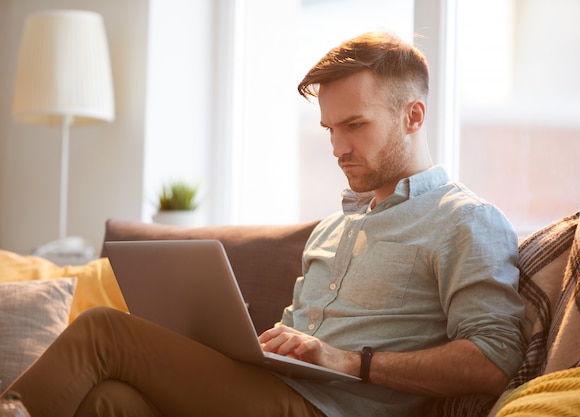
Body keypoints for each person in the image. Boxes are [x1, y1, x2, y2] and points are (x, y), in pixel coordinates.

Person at [1, 32, 525, 417]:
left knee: (102, 331)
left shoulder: (465, 220)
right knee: (109, 402)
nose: (338, 148)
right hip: (269, 389)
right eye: (329, 129)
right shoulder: (333, 228)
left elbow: (492, 359)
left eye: (355, 125)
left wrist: (350, 362)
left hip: (327, 409)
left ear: (414, 116)